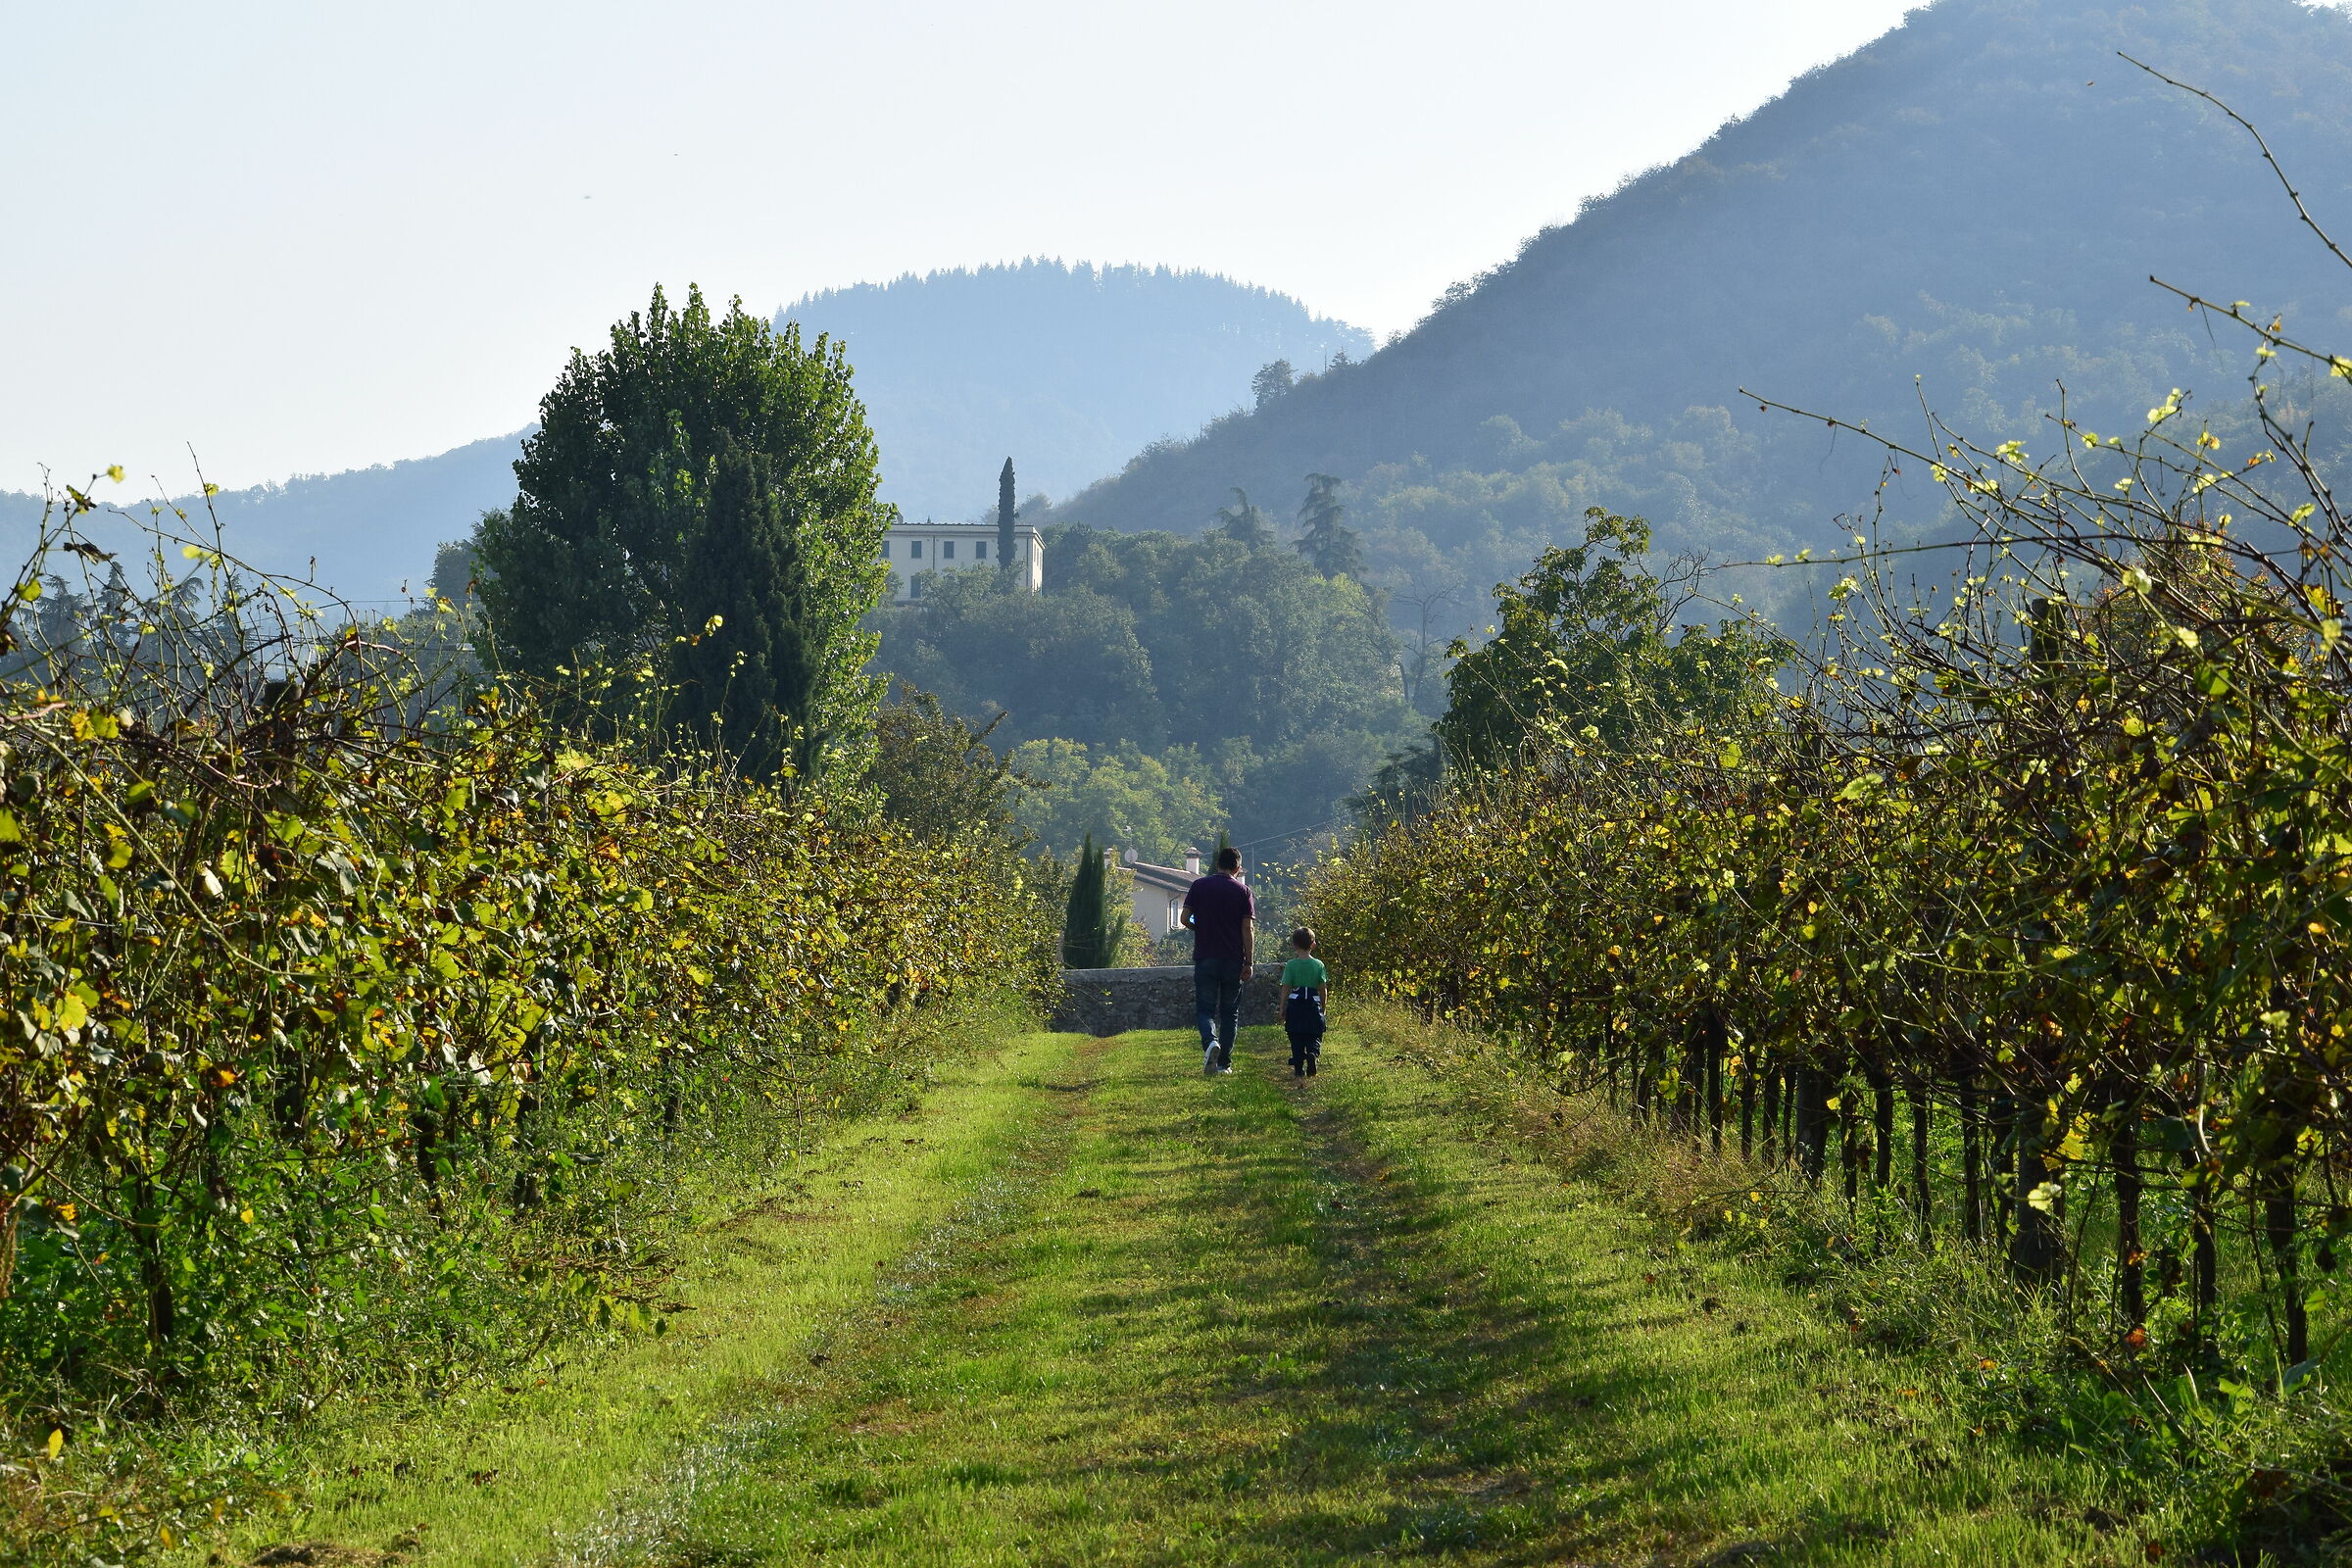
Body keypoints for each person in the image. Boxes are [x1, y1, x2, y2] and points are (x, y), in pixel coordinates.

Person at [1181, 845, 1253, 1074]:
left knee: (1205, 1009)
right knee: (1230, 1012)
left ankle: (1210, 1042)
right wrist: (1249, 961)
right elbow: (1247, 928)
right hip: (1233, 958)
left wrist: (1200, 928)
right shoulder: (1243, 892)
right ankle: (1224, 1064)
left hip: (1206, 956)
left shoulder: (1199, 885)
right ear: (1237, 868)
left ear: (1216, 864)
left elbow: (1184, 918)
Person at [1281, 927, 1328, 1077]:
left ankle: (1298, 1066)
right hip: (1313, 1005)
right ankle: (1313, 1053)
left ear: (1294, 945)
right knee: (1314, 1034)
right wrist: (1323, 1007)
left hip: (1296, 1006)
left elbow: (1286, 988)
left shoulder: (1291, 965)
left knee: (1296, 1036)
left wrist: (1282, 1008)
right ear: (1313, 945)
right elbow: (1322, 988)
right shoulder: (1319, 965)